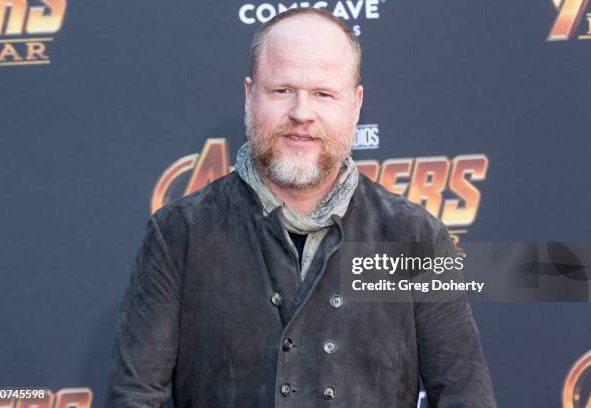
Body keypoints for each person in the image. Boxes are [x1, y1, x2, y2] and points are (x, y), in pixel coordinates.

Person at [105, 7, 497, 407]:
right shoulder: (179, 235)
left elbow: (465, 395)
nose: (301, 113)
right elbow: (134, 397)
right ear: (249, 96)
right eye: (282, 91)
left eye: (323, 94)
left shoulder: (415, 238)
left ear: (356, 104)